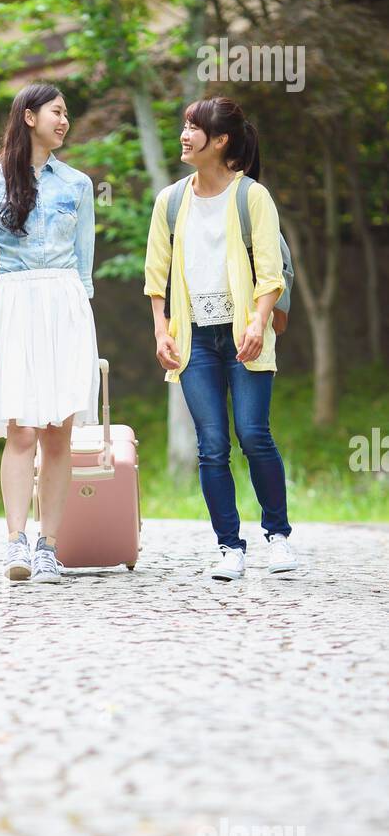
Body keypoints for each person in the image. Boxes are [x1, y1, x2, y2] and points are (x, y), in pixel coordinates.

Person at [144, 95, 297, 579]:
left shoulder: (252, 196)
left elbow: (271, 273)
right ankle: (230, 546)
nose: (185, 135)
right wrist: (160, 329)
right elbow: (156, 275)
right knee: (211, 445)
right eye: (185, 125)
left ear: (221, 140)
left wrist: (257, 322)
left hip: (244, 335)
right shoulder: (170, 200)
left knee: (254, 435)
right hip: (194, 340)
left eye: (194, 127)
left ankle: (278, 535)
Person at [0, 82, 99, 584]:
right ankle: (15, 541)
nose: (64, 122)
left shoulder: (79, 185)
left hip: (64, 305)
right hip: (15, 303)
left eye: (67, 114)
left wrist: (81, 329)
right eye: (57, 112)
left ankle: (50, 545)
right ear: (28, 117)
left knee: (58, 432)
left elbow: (85, 271)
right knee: (20, 429)